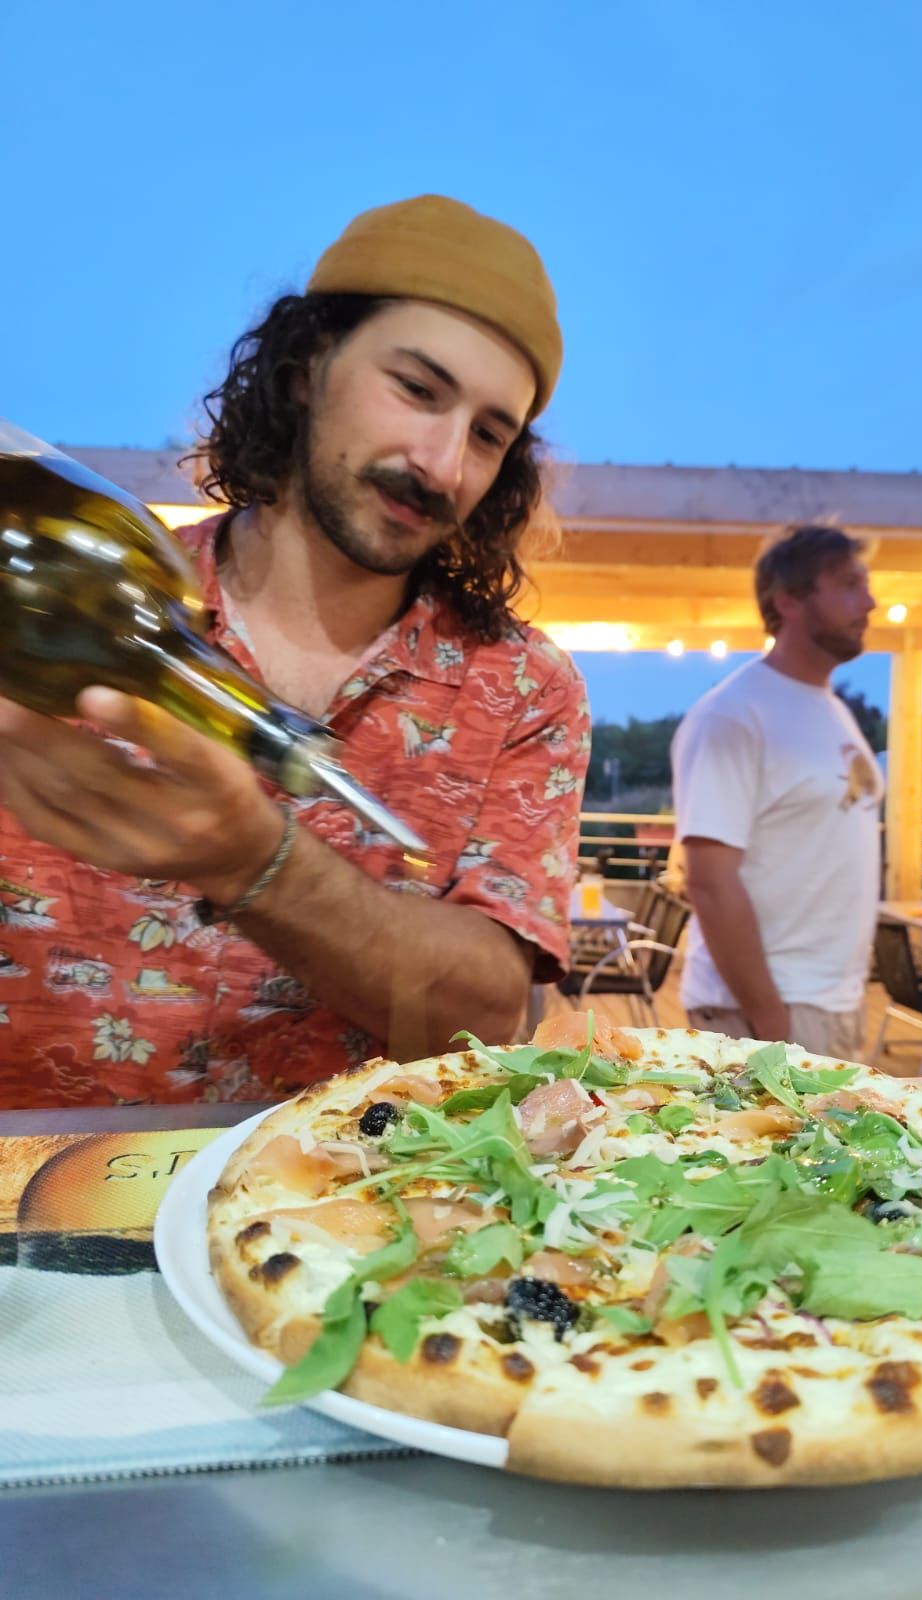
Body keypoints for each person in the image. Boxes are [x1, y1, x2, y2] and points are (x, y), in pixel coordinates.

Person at [0, 196, 590, 1107]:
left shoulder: (519, 688)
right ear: (310, 364)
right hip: (33, 1198)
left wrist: (254, 861)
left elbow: (488, 1017)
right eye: (418, 389)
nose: (441, 463)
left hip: (323, 1217)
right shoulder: (104, 591)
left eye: (487, 434)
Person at [671, 524, 881, 1058]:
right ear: (787, 600)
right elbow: (710, 882)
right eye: (849, 584)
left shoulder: (831, 708)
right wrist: (772, 1025)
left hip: (830, 1002)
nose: (871, 601)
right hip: (766, 1013)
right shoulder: (734, 715)